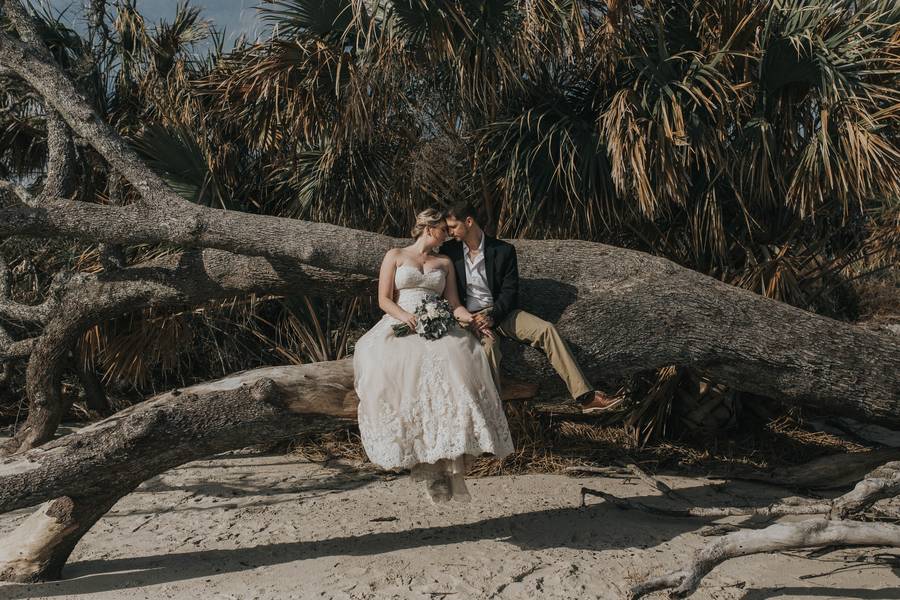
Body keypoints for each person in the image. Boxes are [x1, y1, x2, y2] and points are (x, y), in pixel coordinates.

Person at [353, 208, 515, 503]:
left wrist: (474, 320)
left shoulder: (444, 262)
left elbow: (453, 303)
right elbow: (383, 299)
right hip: (402, 323)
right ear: (429, 229)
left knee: (457, 372)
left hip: (439, 325)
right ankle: (423, 463)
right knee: (392, 376)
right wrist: (404, 315)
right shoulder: (396, 255)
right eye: (444, 230)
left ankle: (445, 466)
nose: (449, 234)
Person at [440, 201, 622, 413]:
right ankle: (490, 414)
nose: (449, 232)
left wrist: (493, 315)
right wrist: (469, 320)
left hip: (500, 311)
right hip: (468, 317)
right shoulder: (449, 251)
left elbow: (510, 292)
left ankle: (585, 397)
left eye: (453, 226)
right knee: (487, 349)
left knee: (546, 329)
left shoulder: (503, 251)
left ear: (469, 222)